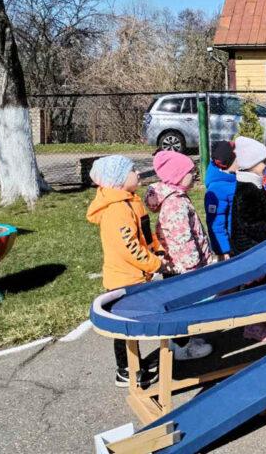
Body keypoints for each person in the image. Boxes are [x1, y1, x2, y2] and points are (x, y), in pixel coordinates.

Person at [86, 155, 162, 387]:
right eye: (132, 171)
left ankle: (134, 363)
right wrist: (154, 264)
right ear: (118, 180)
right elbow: (129, 247)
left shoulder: (130, 200)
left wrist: (157, 249)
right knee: (125, 327)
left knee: (133, 324)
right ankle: (126, 370)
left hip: (138, 274)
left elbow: (144, 235)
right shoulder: (118, 210)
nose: (138, 173)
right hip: (124, 278)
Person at [145, 151, 214, 361]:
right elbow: (182, 239)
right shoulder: (175, 204)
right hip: (183, 268)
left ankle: (186, 340)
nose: (194, 175)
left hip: (180, 267)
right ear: (177, 175)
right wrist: (193, 264)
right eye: (190, 172)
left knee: (182, 308)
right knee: (182, 310)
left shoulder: (176, 198)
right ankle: (183, 348)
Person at [230, 136, 266, 342]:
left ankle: (261, 319)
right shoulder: (247, 191)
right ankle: (251, 325)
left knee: (263, 285)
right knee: (254, 287)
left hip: (259, 247)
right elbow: (250, 225)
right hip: (250, 249)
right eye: (263, 162)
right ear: (251, 165)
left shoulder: (256, 185)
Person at [205, 141, 238, 259]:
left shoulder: (232, 178)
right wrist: (224, 250)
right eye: (237, 158)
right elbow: (216, 223)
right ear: (228, 163)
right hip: (229, 248)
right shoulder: (216, 190)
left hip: (238, 241)